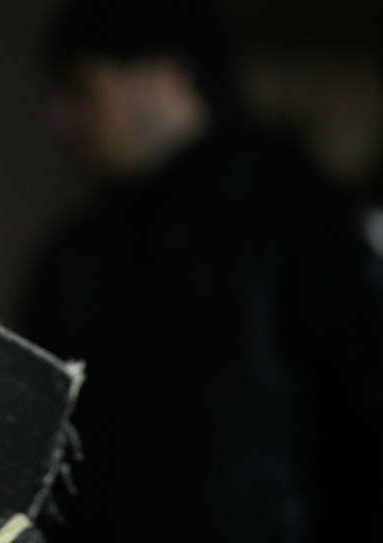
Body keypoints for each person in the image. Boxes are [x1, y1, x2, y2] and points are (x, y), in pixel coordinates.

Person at [22, 2, 383, 541]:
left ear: (165, 76)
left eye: (83, 90)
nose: (62, 119)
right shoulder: (83, 249)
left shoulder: (295, 221)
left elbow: (363, 423)